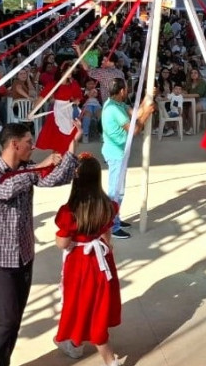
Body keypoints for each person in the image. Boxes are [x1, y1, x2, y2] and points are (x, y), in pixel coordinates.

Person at [0, 123, 79, 366]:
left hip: (23, 255)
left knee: (14, 320)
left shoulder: (28, 169)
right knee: (6, 321)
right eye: (29, 142)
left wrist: (73, 146)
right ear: (14, 144)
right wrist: (38, 169)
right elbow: (6, 188)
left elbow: (56, 178)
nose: (32, 147)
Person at [53, 154, 123, 365]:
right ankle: (74, 344)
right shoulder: (108, 206)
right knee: (95, 303)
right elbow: (107, 234)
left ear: (76, 179)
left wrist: (62, 238)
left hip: (80, 264)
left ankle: (106, 358)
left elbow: (63, 243)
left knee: (82, 304)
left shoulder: (70, 211)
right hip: (100, 260)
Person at [101, 78, 155, 240]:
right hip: (116, 154)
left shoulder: (117, 104)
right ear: (122, 91)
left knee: (118, 190)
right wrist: (146, 114)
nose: (128, 91)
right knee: (116, 191)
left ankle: (115, 219)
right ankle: (112, 225)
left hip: (119, 153)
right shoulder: (113, 109)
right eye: (126, 88)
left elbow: (136, 113)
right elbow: (135, 129)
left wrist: (147, 96)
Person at [35, 61, 83, 153]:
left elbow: (78, 96)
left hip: (68, 112)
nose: (71, 72)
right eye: (69, 70)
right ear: (62, 71)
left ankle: (66, 161)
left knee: (69, 139)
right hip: (57, 112)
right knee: (57, 141)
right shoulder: (53, 84)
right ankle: (56, 163)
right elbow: (42, 97)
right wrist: (33, 111)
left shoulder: (73, 83)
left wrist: (77, 100)